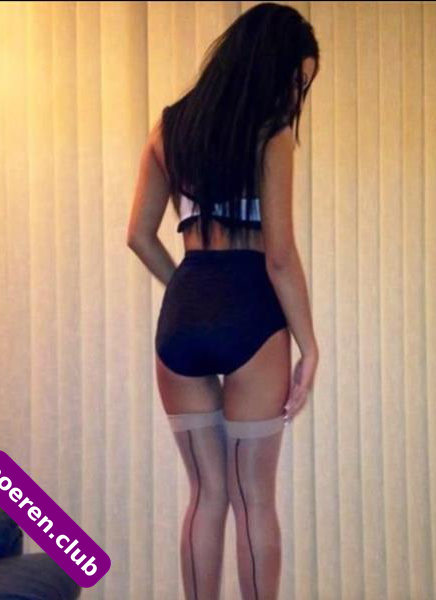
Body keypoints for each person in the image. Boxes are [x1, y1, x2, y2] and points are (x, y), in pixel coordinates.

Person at [127, 3, 319, 598]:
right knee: (253, 498)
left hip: (184, 311)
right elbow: (279, 256)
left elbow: (138, 235)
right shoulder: (271, 134)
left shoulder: (169, 128)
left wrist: (189, 291)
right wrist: (309, 347)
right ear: (272, 66)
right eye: (297, 80)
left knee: (206, 495)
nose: (297, 94)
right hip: (251, 310)